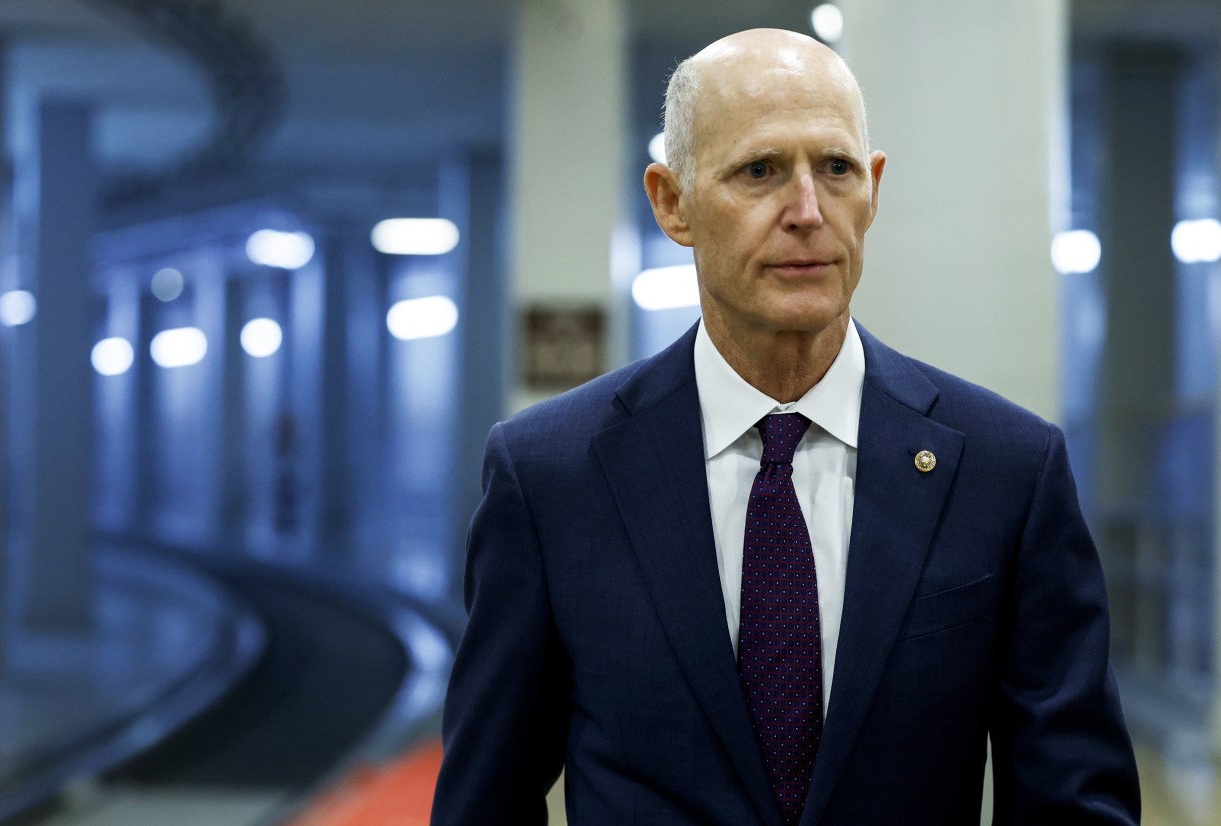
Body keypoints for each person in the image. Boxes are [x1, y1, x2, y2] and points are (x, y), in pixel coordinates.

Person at [431, 27, 1140, 826]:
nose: (807, 211)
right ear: (673, 203)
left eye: (835, 169)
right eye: (760, 171)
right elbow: (484, 801)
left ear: (872, 190)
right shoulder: (552, 477)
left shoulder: (1007, 470)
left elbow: (1075, 800)